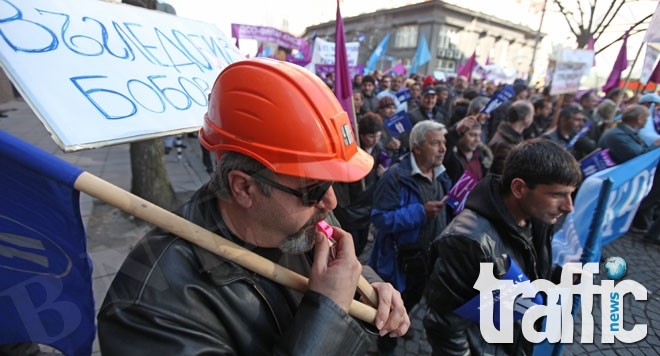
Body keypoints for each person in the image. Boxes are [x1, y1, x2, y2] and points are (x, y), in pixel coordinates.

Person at [97, 58, 410, 355]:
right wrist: (327, 316)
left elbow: (339, 271)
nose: (331, 202)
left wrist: (365, 286)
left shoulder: (304, 217)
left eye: (333, 183)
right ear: (244, 187)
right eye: (314, 189)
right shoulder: (148, 308)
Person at [424, 138, 582, 356]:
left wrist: (559, 277)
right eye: (557, 195)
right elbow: (445, 327)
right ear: (519, 188)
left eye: (571, 194)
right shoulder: (467, 241)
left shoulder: (538, 219)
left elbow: (528, 275)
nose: (568, 207)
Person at [368, 120, 452, 356]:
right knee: (392, 303)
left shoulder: (442, 175)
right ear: (416, 147)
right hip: (397, 261)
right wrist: (420, 213)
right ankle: (386, 345)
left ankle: (401, 326)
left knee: (414, 298)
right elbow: (380, 218)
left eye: (443, 142)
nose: (443, 148)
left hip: (427, 257)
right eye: (435, 143)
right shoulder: (395, 177)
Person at [333, 115, 388, 256]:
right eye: (371, 136)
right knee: (352, 243)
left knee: (363, 240)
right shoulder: (350, 150)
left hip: (368, 203)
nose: (375, 140)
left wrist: (382, 173)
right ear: (361, 135)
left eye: (378, 135)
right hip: (351, 206)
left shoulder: (379, 149)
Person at [488, 100, 534, 175]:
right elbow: (505, 175)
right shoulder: (505, 145)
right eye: (532, 115)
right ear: (526, 118)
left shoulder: (508, 136)